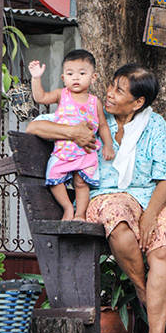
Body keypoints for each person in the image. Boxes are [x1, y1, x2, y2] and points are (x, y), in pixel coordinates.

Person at [27, 62, 166, 333]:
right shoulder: (90, 113)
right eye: (112, 86)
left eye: (119, 90)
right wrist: (73, 132)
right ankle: (143, 291)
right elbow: (34, 126)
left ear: (138, 102)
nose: (110, 93)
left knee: (164, 248)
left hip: (150, 197)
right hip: (104, 196)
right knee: (118, 220)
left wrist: (152, 215)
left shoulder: (154, 125)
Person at [29, 50, 115, 221]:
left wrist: (108, 144)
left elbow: (103, 126)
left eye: (82, 73)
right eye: (70, 73)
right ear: (63, 78)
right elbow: (40, 97)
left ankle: (80, 214)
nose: (75, 78)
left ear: (93, 77)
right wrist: (36, 78)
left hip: (86, 152)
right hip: (63, 152)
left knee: (81, 184)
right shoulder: (62, 95)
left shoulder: (95, 102)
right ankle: (68, 207)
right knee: (54, 177)